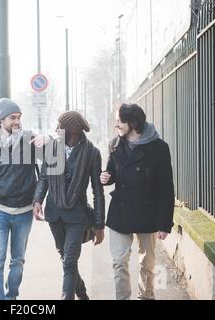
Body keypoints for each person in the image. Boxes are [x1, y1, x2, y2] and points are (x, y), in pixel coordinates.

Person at [100, 103, 175, 300]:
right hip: (121, 211)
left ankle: (146, 296)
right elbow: (113, 173)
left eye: (119, 120)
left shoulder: (159, 148)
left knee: (147, 263)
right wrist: (106, 177)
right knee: (118, 262)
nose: (116, 124)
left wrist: (165, 223)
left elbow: (166, 188)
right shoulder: (114, 144)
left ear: (132, 122)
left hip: (147, 212)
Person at [0, 98, 46, 300]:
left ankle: (11, 296)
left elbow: (52, 158)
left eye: (19, 117)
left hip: (24, 212)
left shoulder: (29, 140)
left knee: (17, 260)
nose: (17, 121)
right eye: (12, 118)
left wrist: (47, 138)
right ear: (1, 121)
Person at [33, 111, 105, 300]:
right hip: (54, 214)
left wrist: (99, 224)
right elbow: (43, 179)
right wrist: (37, 200)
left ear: (71, 131)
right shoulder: (51, 150)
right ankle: (82, 295)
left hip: (77, 216)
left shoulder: (92, 153)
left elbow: (98, 191)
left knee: (70, 260)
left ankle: (67, 296)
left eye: (59, 126)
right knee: (66, 259)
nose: (56, 130)